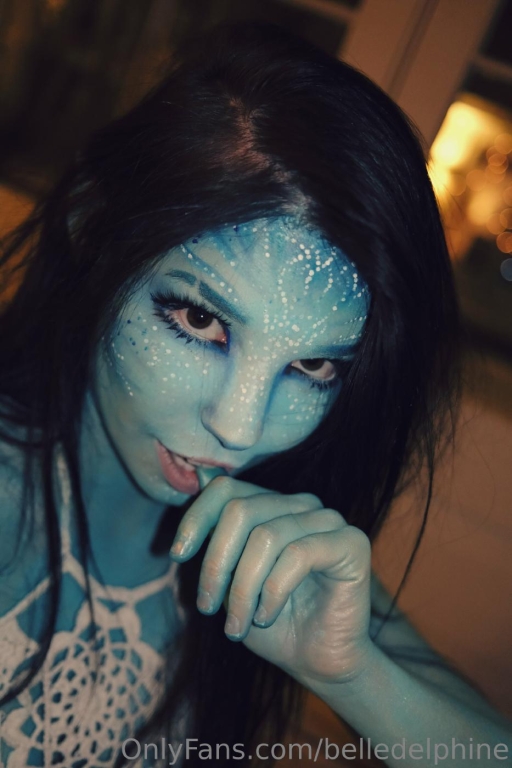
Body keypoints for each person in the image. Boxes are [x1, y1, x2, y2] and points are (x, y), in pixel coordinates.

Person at [0, 21, 510, 768]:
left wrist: (351, 674)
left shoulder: (267, 542)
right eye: (199, 320)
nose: (239, 429)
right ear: (90, 225)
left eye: (312, 366)